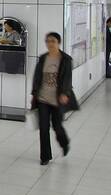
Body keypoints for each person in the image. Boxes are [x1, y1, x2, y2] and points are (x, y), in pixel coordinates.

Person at [30, 32, 79, 165]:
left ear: (59, 43)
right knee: (43, 127)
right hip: (43, 98)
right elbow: (37, 77)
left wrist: (64, 93)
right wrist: (34, 94)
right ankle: (45, 156)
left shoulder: (66, 59)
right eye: (48, 41)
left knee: (57, 126)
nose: (50, 43)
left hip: (57, 99)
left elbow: (67, 78)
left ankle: (64, 143)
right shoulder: (43, 58)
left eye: (53, 41)